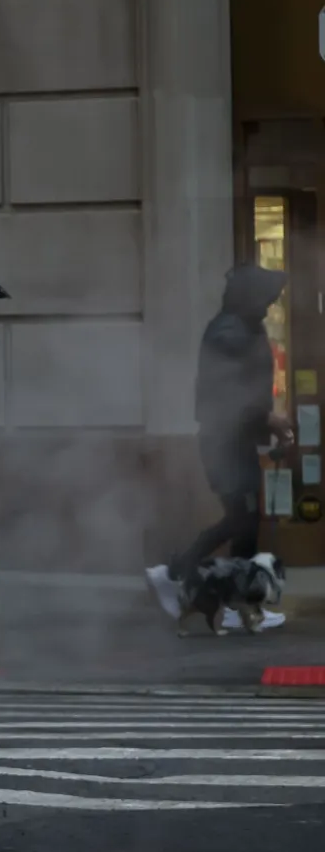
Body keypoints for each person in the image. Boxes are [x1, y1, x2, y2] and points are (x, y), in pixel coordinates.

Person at [147, 264, 292, 628]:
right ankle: (176, 573)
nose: (271, 305)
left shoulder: (241, 326)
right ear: (251, 297)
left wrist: (265, 421)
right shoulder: (230, 332)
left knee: (244, 521)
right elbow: (228, 395)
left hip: (233, 440)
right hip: (224, 443)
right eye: (268, 299)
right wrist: (269, 419)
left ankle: (240, 605)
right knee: (241, 519)